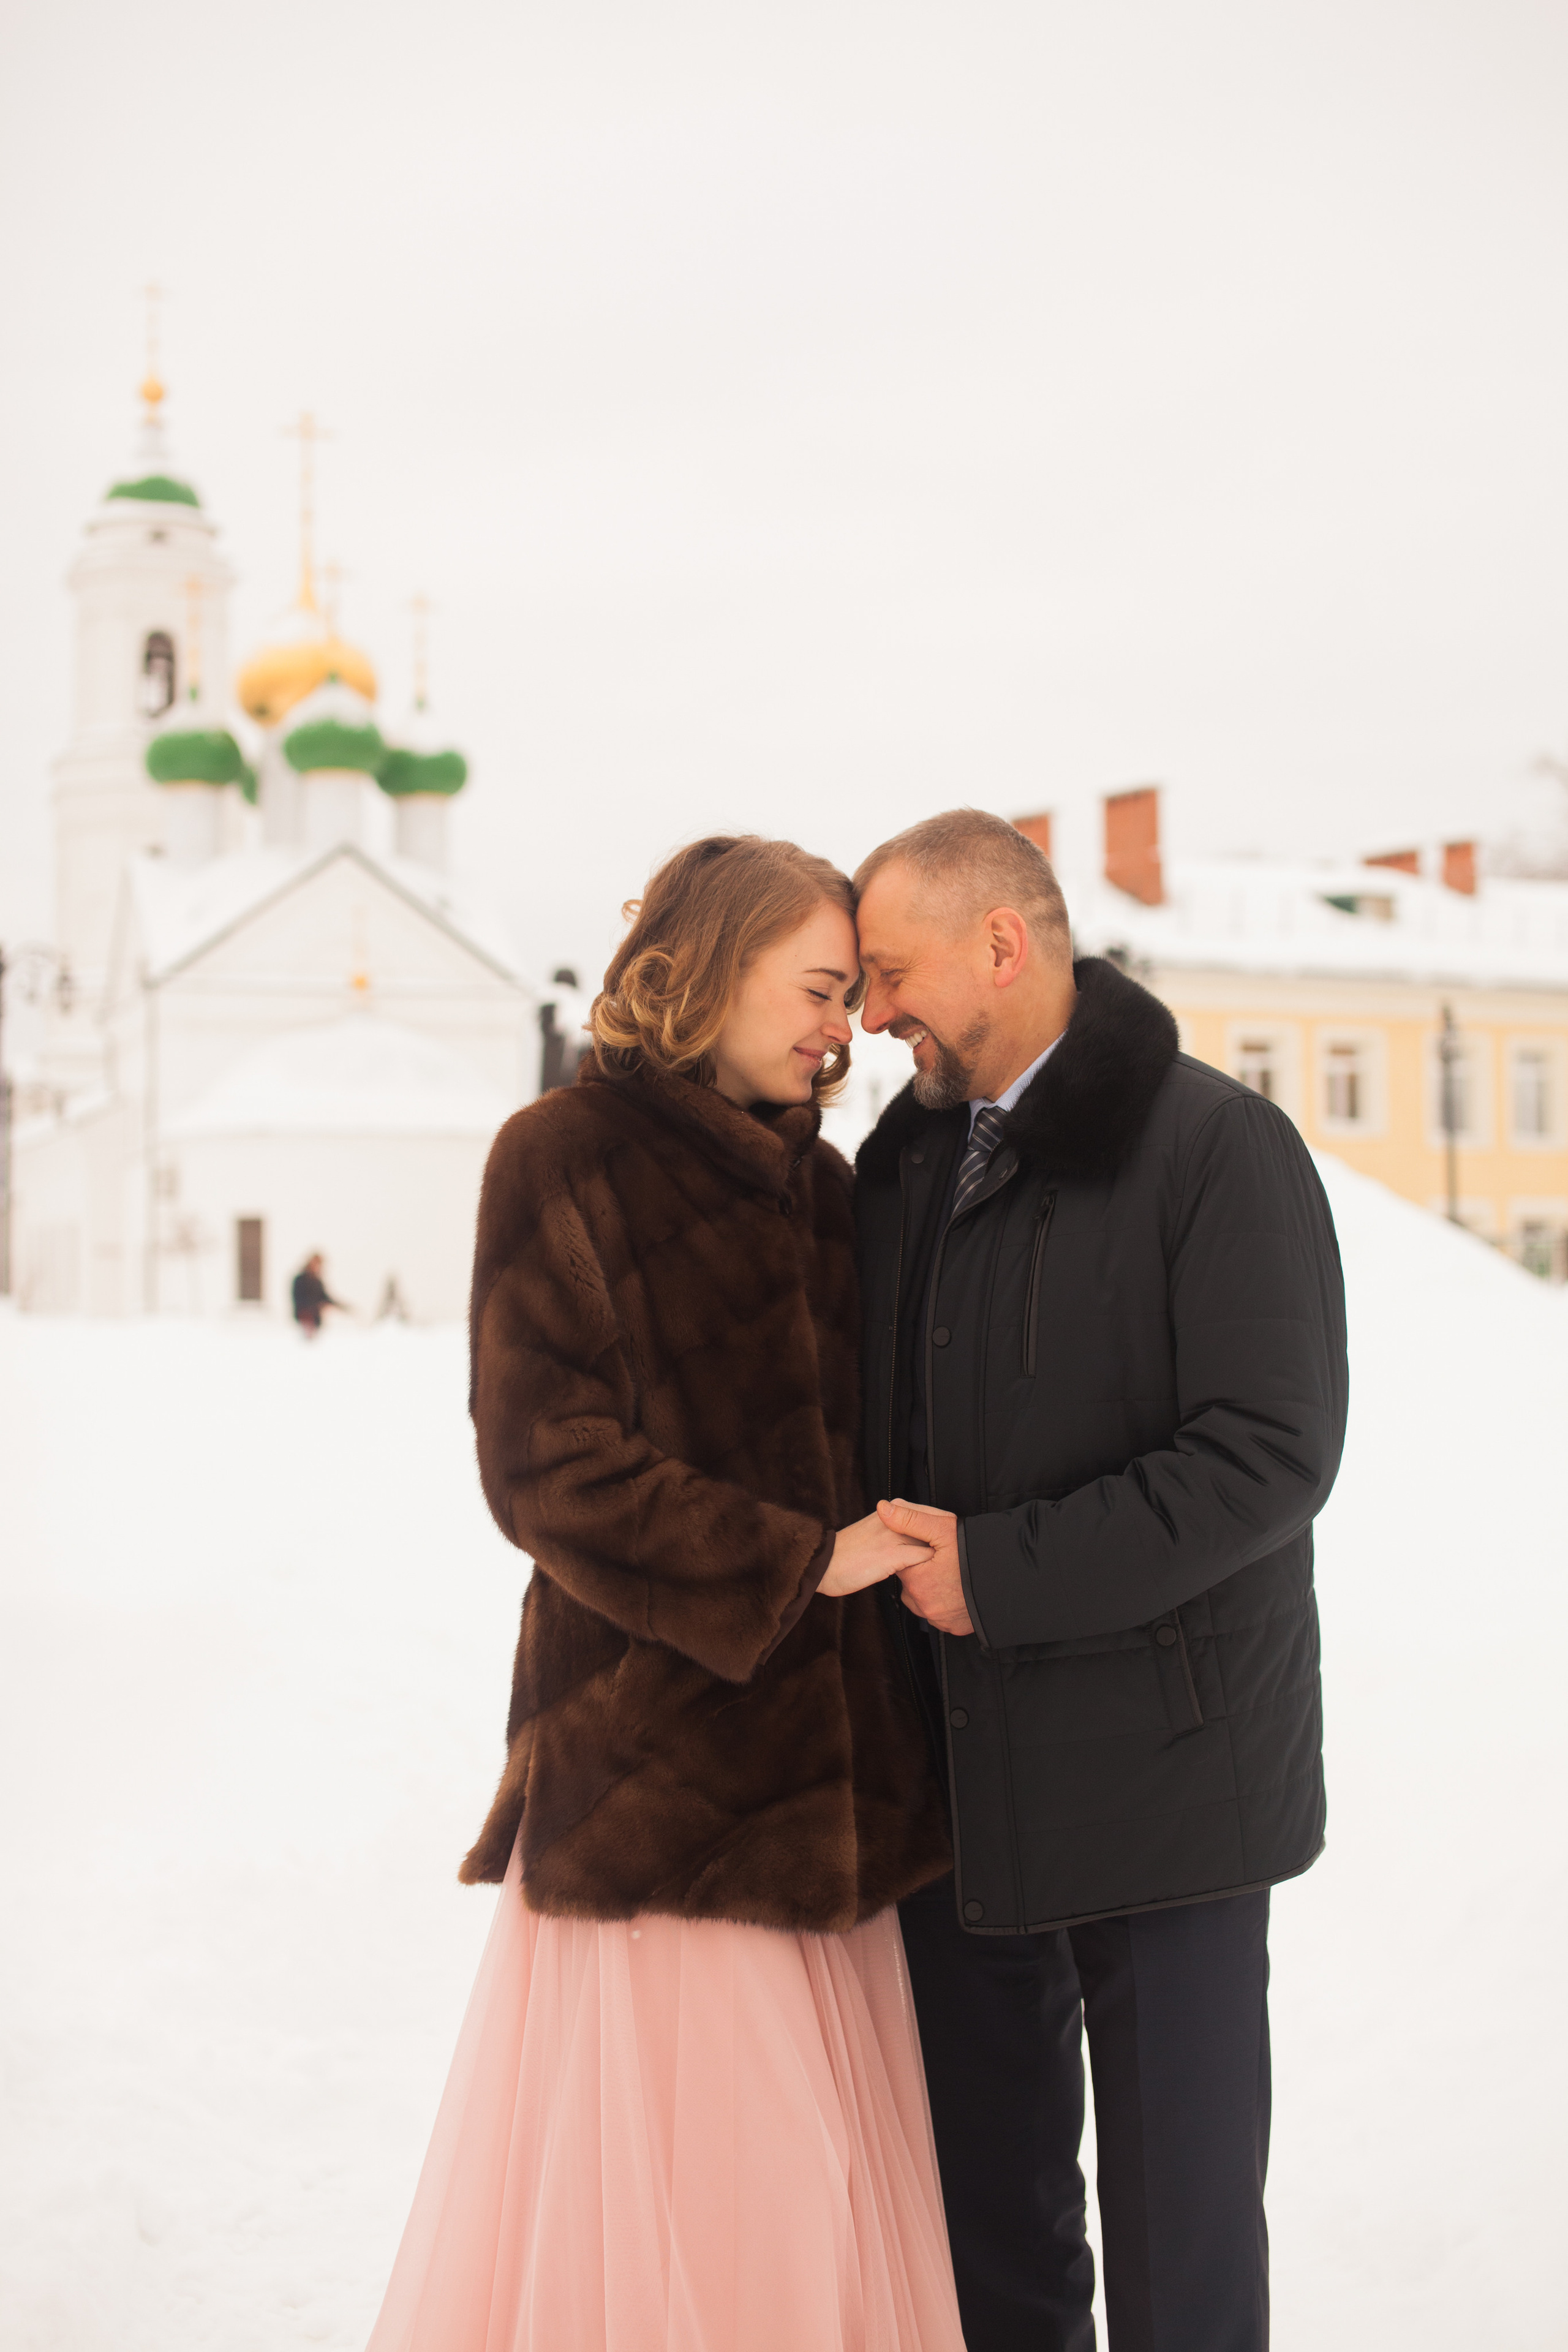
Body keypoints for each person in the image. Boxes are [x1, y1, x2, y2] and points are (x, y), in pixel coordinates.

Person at [366, 837, 963, 2352]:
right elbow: (541, 1461)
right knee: (693, 2231)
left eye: (849, 995)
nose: (841, 1026)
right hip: (657, 1790)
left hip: (832, 1816)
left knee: (811, 2220)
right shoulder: (558, 1153)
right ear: (705, 966)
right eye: (818, 986)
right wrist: (793, 1556)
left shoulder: (827, 1188)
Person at [851, 809, 1349, 2352]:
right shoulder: (905, 1164)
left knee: (1180, 2261)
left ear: (998, 943)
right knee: (994, 2243)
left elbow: (1268, 1452)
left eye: (887, 971)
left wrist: (994, 1571)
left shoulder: (1214, 1146)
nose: (869, 1015)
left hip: (1169, 1799)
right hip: (959, 1801)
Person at [290, 1253, 344, 1338]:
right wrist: (317, 1306)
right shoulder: (300, 1280)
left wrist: (341, 1307)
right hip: (304, 1319)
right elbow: (298, 1299)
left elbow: (325, 1297)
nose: (317, 1267)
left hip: (316, 1321)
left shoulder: (318, 1282)